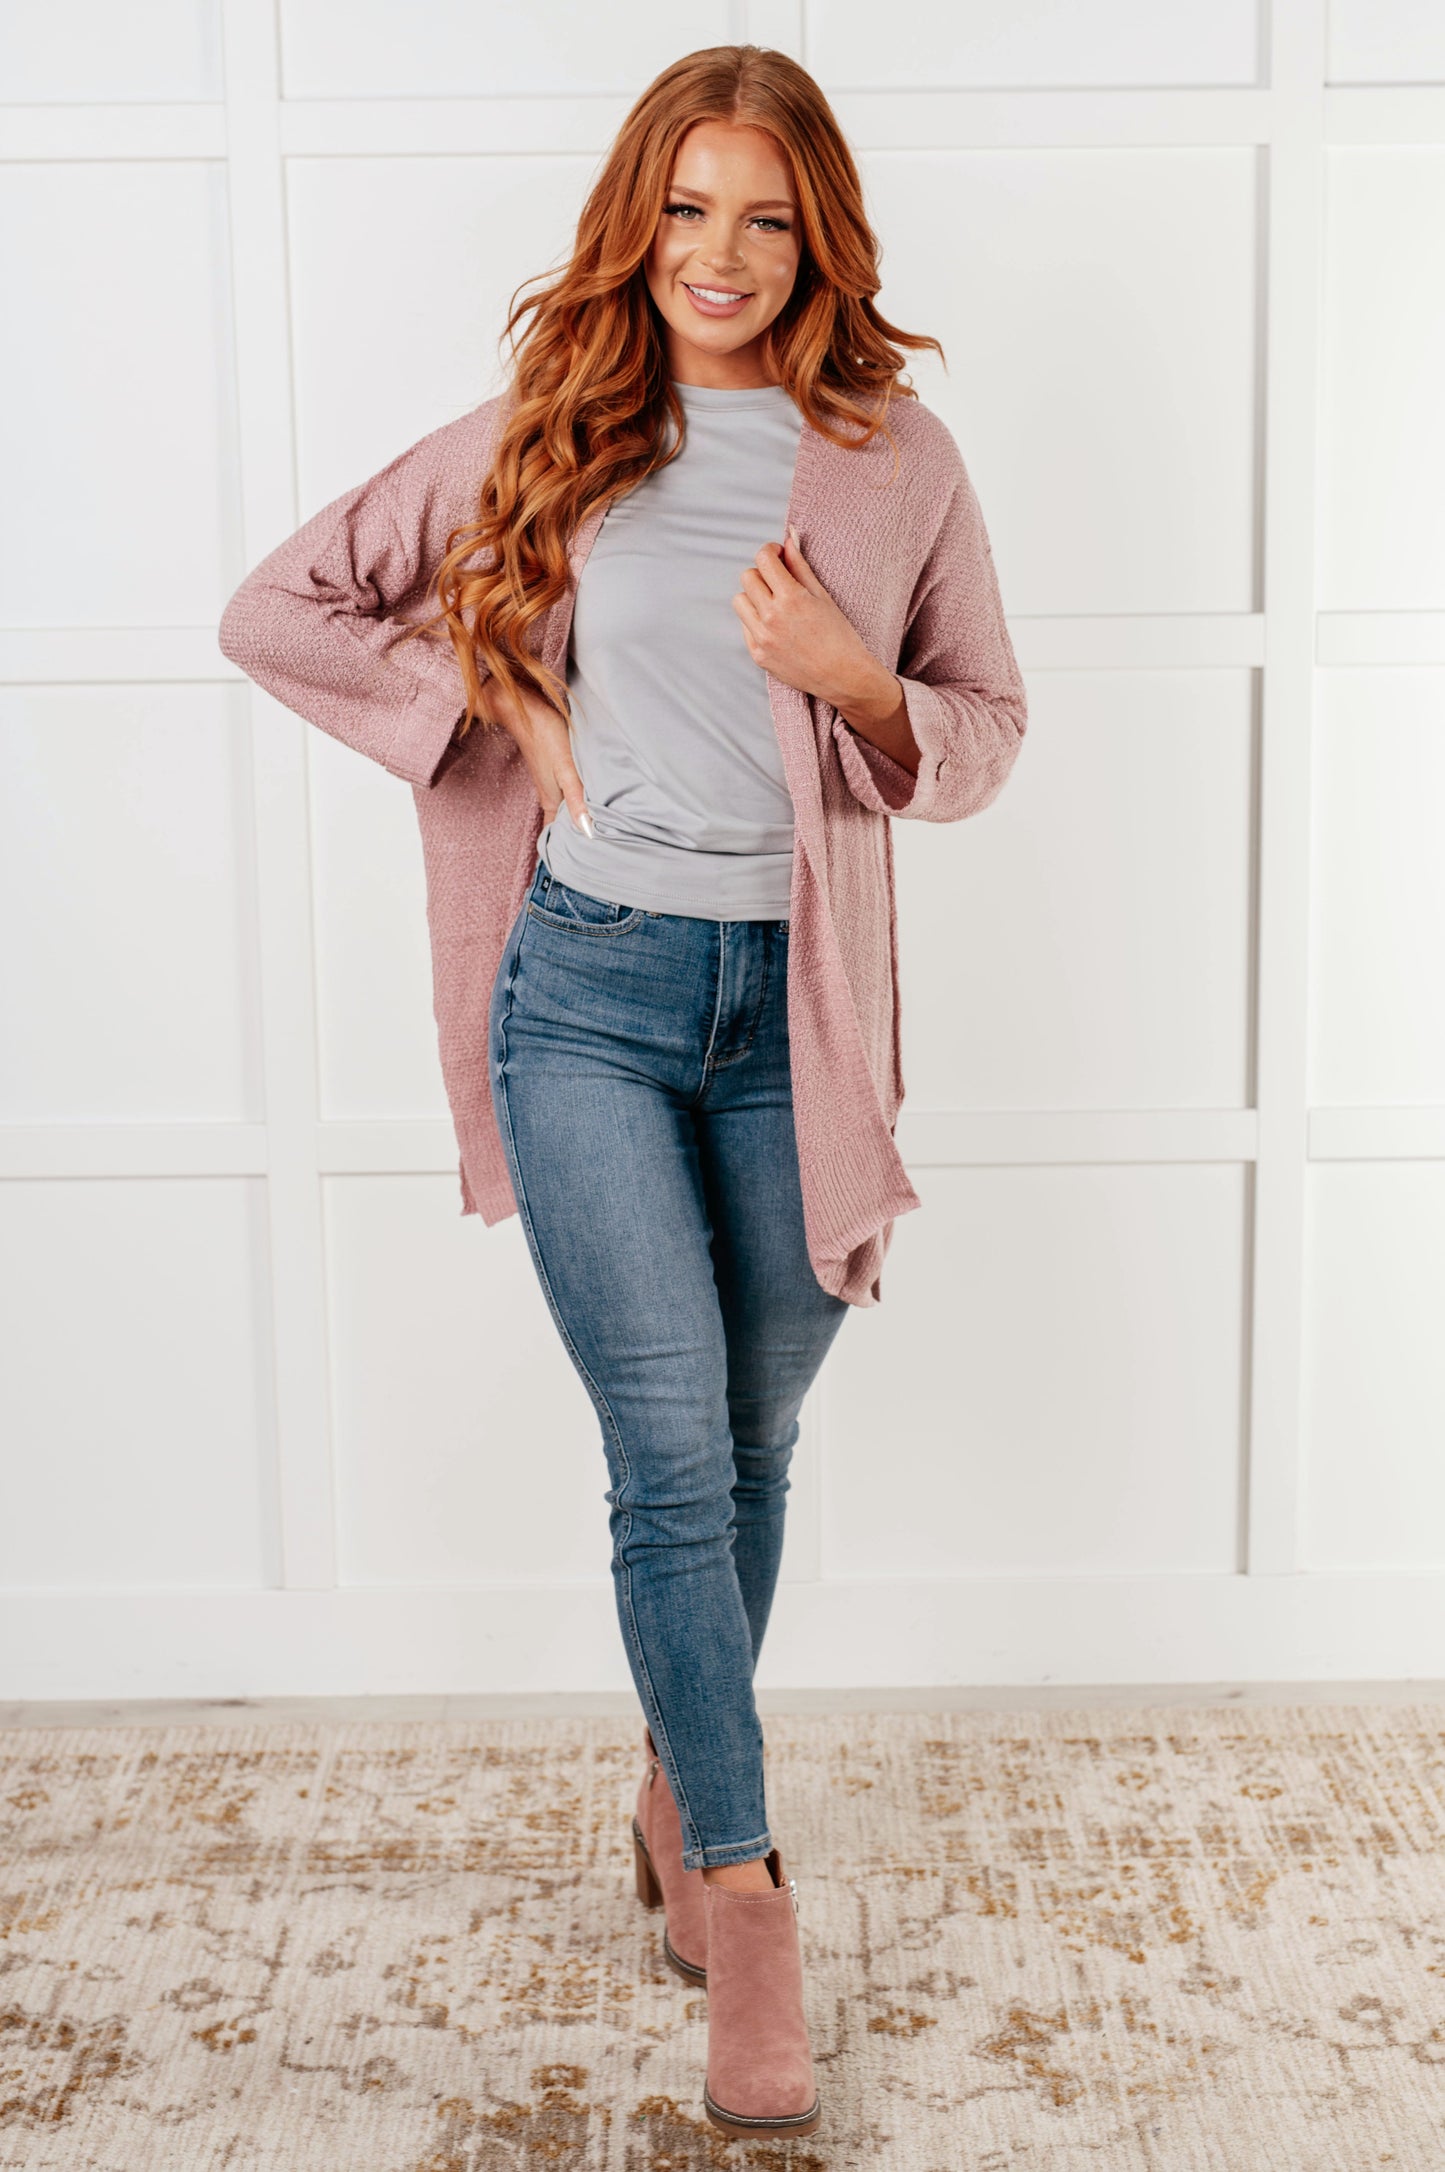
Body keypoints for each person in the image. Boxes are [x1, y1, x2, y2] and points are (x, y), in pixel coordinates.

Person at [218, 41, 1028, 2143]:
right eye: (686, 211)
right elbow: (278, 605)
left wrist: (856, 682)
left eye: (765, 216)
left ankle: (681, 1784)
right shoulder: (553, 435)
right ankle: (747, 1903)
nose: (722, 255)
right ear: (634, 221)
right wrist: (480, 685)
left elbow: (987, 728)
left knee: (754, 1438)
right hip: (579, 997)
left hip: (799, 1023)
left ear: (818, 234)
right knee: (671, 1454)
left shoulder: (896, 462)